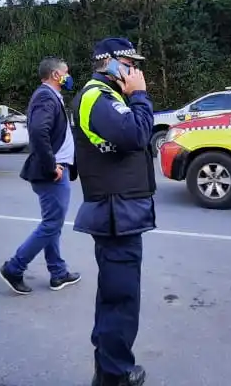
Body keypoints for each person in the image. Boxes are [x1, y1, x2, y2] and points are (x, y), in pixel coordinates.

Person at [71, 37, 156, 386]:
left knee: (114, 296)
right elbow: (136, 135)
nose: (135, 71)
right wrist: (140, 96)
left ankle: (108, 369)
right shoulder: (98, 96)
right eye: (130, 64)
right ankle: (116, 373)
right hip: (115, 213)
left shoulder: (108, 97)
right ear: (109, 63)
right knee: (120, 299)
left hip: (119, 210)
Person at [0, 57, 82, 295]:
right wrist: (51, 165)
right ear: (56, 75)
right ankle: (14, 268)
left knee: (52, 223)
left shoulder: (52, 96)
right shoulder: (45, 96)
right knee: (51, 224)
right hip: (53, 173)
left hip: (57, 170)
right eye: (66, 72)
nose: (68, 76)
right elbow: (38, 131)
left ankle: (58, 272)